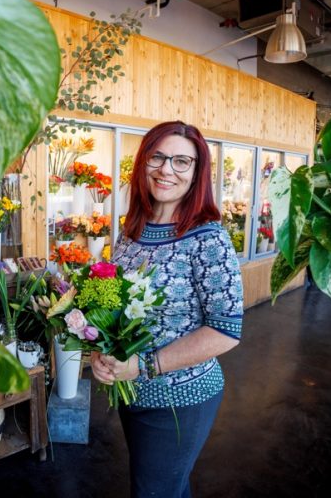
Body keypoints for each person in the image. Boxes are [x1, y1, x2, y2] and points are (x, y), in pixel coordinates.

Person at [91, 121, 243, 498]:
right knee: (166, 487)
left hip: (182, 397)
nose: (166, 169)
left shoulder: (208, 237)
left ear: (196, 174)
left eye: (181, 161)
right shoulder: (131, 231)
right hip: (133, 392)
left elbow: (226, 330)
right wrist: (100, 349)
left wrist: (142, 365)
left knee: (153, 491)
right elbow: (115, 304)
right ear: (143, 163)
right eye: (157, 157)